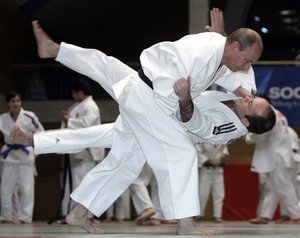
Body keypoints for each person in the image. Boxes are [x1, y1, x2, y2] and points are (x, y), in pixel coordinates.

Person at [30, 18, 274, 235]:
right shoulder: (201, 56)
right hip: (153, 98)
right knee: (182, 154)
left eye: (250, 100)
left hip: (146, 89)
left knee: (126, 156)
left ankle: (78, 212)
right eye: (246, 60)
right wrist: (185, 98)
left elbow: (227, 74)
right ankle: (185, 224)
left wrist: (221, 40)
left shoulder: (218, 53)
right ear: (232, 47)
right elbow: (179, 98)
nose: (246, 68)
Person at [59, 77, 103, 220]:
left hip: (86, 153)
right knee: (71, 184)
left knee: (82, 183)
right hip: (75, 151)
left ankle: (83, 214)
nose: (73, 96)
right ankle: (69, 212)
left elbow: (86, 125)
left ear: (79, 92)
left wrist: (68, 120)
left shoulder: (90, 106)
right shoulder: (78, 105)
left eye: (74, 92)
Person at [246, 110, 300, 224]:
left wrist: (248, 137)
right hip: (285, 157)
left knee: (284, 186)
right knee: (272, 187)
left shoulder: (268, 114)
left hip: (279, 157)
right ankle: (265, 215)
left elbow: (261, 135)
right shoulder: (280, 117)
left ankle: (297, 215)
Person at [0, 91, 44, 224]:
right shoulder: (2, 118)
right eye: (13, 101)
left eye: (18, 101)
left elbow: (41, 133)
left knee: (27, 188)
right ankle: (6, 216)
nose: (16, 104)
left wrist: (34, 148)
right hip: (9, 155)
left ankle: (24, 217)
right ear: (8, 103)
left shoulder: (29, 116)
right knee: (5, 187)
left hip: (25, 155)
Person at [195, 143, 229, 223]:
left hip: (218, 168)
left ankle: (217, 216)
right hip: (206, 168)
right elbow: (198, 151)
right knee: (203, 193)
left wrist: (223, 156)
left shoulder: (221, 137)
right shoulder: (202, 137)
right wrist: (208, 160)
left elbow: (224, 149)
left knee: (219, 193)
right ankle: (198, 215)